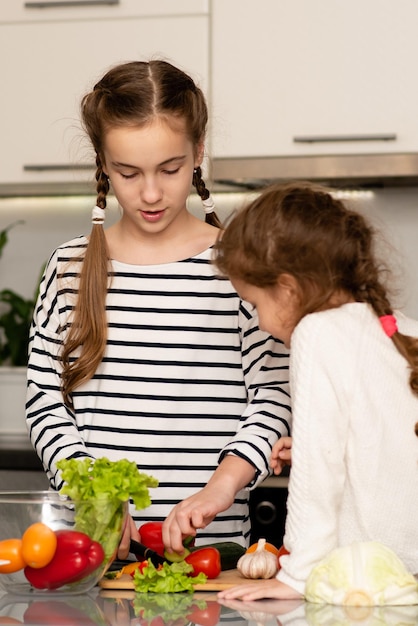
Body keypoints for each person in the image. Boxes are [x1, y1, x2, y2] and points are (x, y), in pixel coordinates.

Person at [25, 59, 291, 558]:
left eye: (170, 170)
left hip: (212, 554)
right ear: (102, 163)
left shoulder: (241, 265)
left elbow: (273, 397)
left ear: (198, 154)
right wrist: (91, 492)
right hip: (97, 552)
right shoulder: (69, 267)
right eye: (128, 172)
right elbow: (45, 402)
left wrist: (219, 489)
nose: (150, 193)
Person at [214, 181, 418, 601]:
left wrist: (297, 575)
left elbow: (318, 480)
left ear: (288, 290)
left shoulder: (317, 333)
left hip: (359, 584)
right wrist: (310, 446)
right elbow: (388, 446)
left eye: (255, 305)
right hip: (404, 577)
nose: (260, 323)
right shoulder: (399, 328)